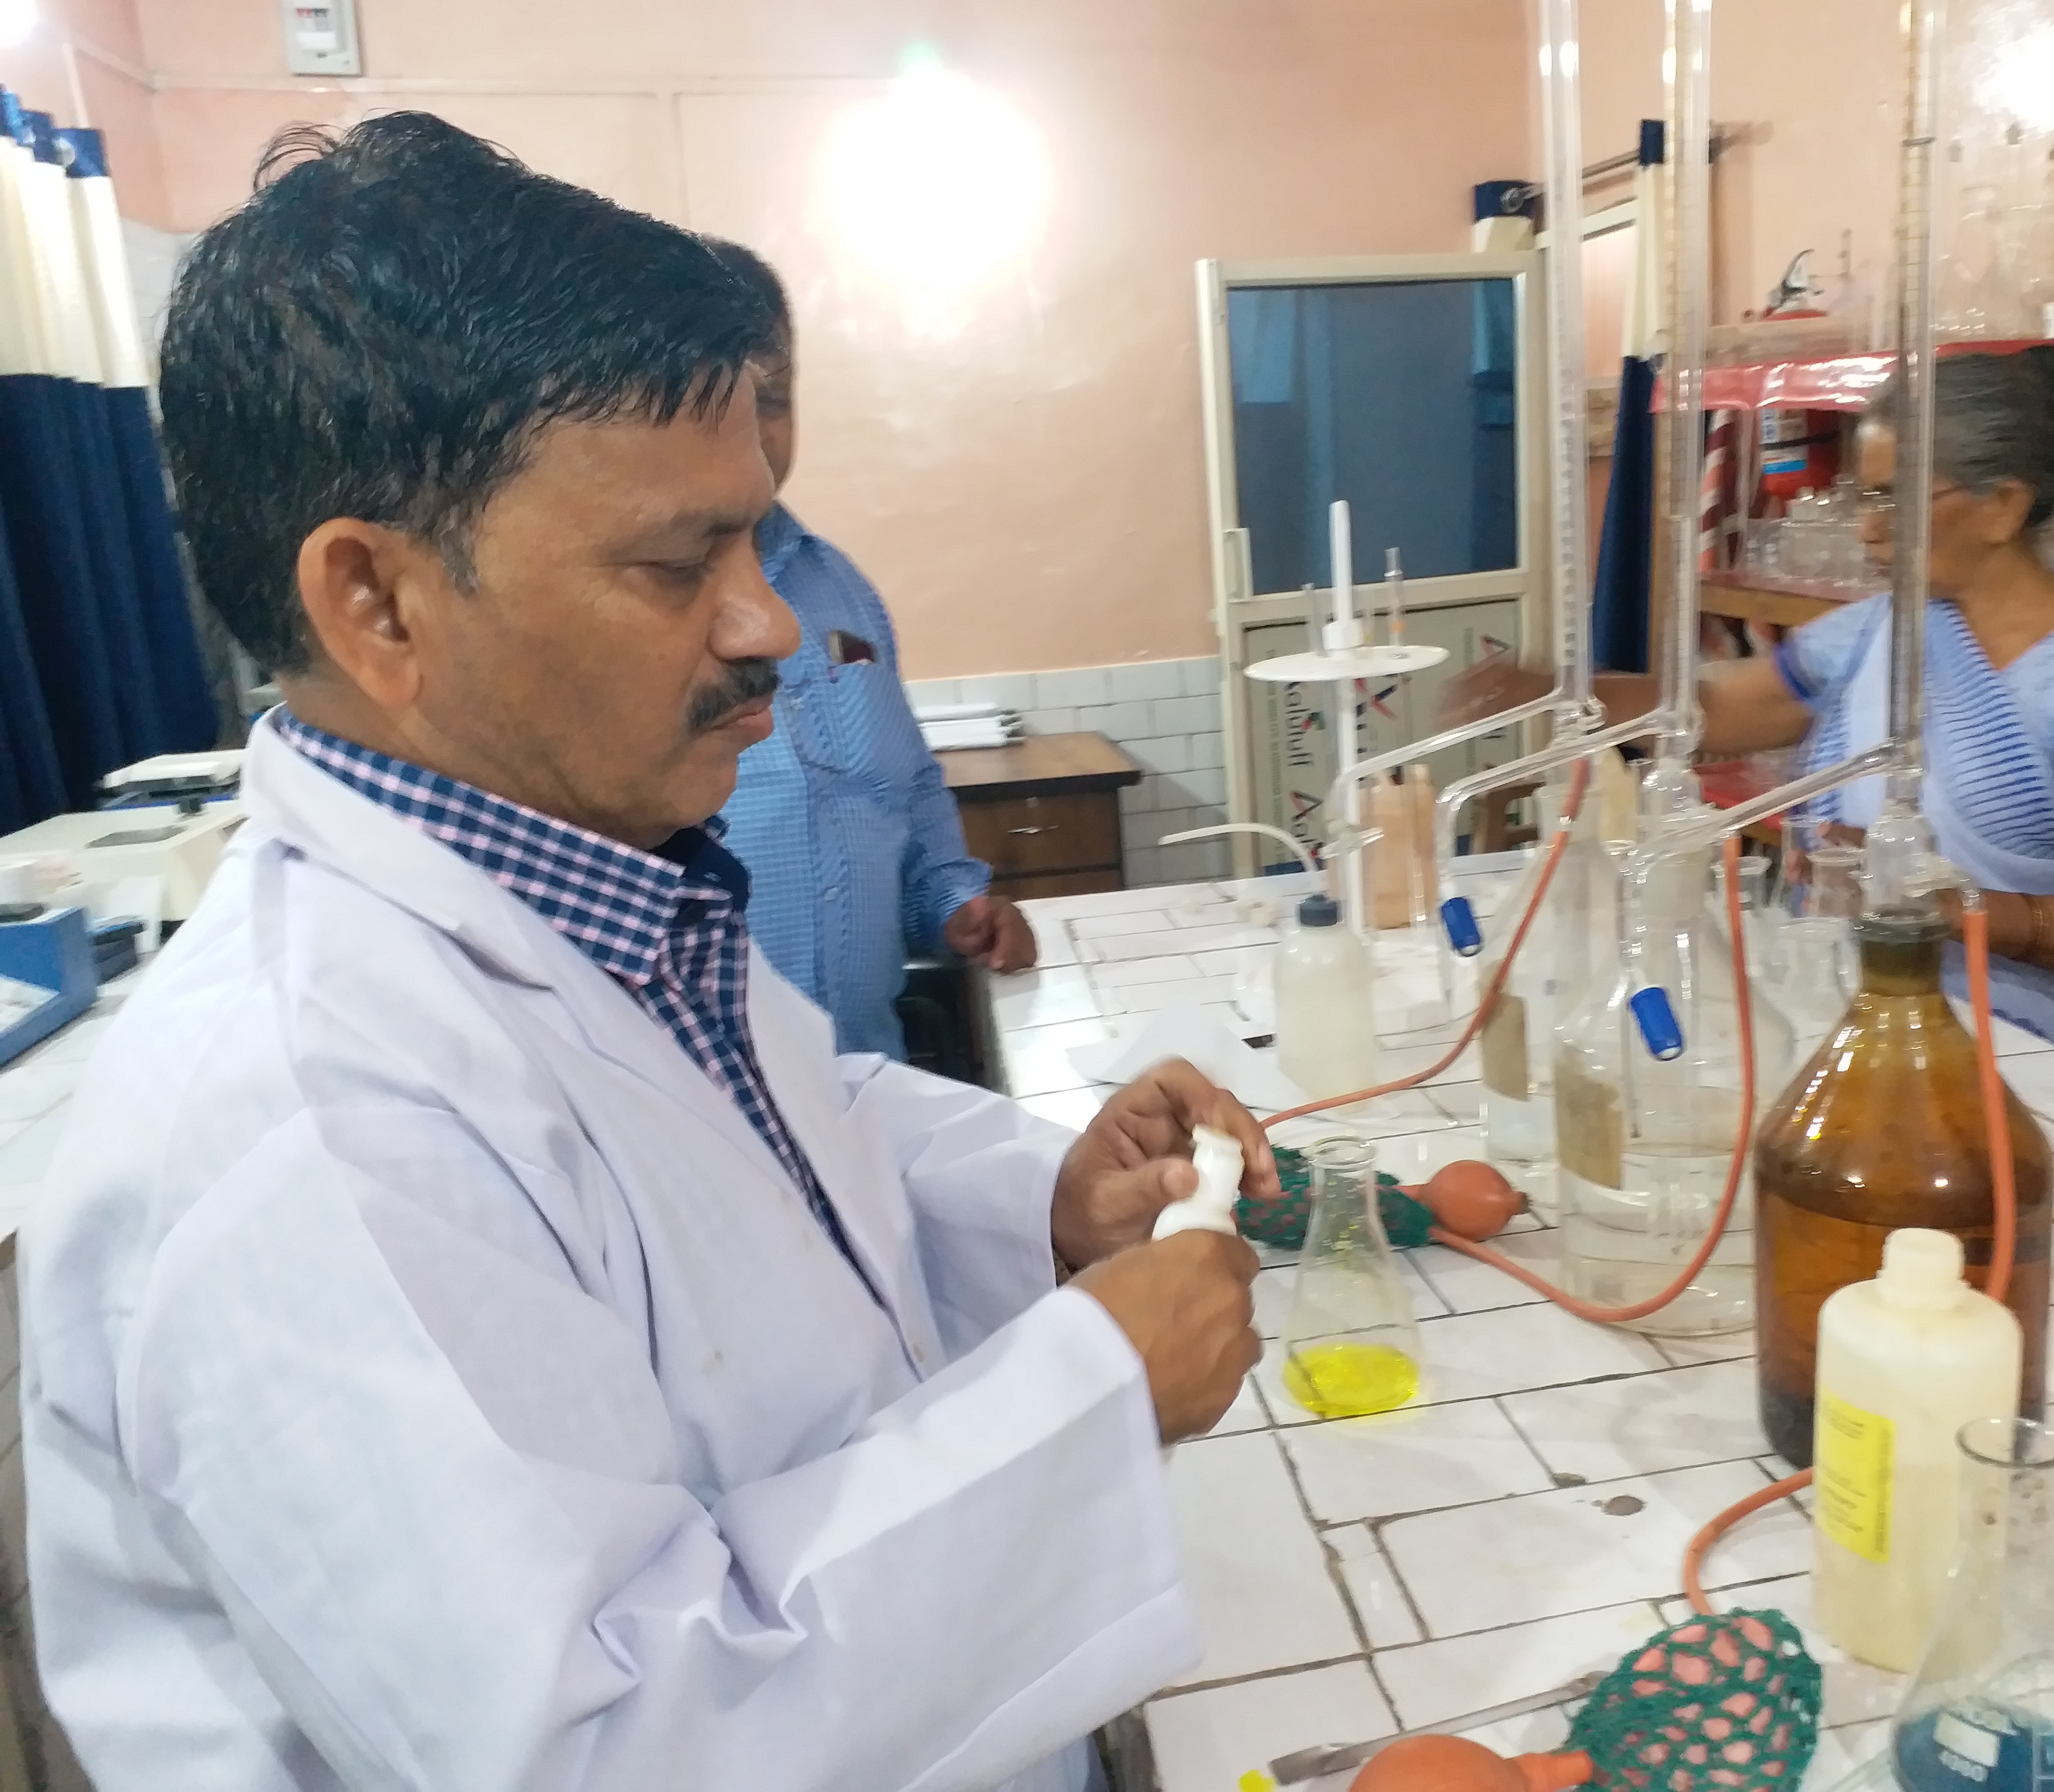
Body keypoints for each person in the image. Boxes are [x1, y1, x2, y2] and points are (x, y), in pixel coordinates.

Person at [20, 114, 1271, 1792]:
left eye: (754, 538)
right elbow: (607, 1745)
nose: (765, 623)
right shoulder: (295, 1126)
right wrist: (1092, 1390)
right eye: (679, 561)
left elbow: (761, 1143)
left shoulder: (590, 879)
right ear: (378, 604)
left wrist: (1036, 1198)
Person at [1615, 348, 2054, 1066]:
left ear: (2002, 506)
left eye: (1895, 498)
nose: (1868, 527)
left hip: (2023, 1054)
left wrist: (1953, 909)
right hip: (1862, 1022)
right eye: (1865, 497)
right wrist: (1564, 693)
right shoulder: (1881, 630)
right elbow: (1716, 710)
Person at [705, 237, 1035, 1059]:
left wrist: (957, 903)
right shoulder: (624, 610)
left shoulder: (838, 592)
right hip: (711, 1104)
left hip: (868, 1085)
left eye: (772, 396)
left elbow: (906, 786)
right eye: (717, 396)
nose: (753, 428)